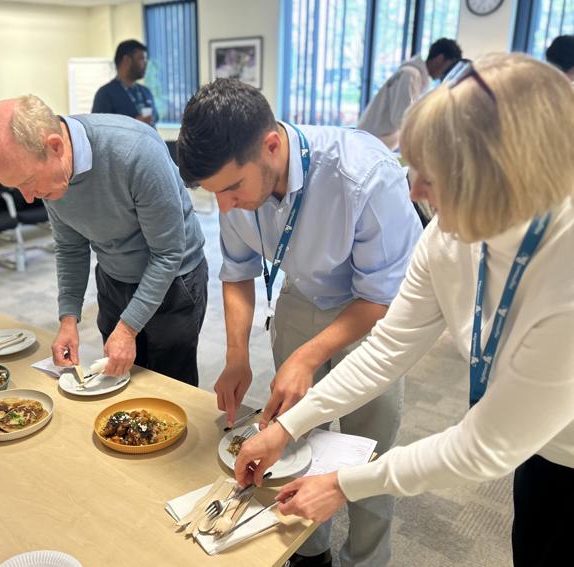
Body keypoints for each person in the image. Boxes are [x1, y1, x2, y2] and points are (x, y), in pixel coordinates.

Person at [234, 54, 574, 567]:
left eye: (431, 178)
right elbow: (387, 348)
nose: (412, 192)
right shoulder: (448, 235)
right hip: (540, 447)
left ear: (501, 175)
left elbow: (483, 449)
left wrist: (345, 485)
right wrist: (288, 426)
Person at [177, 79, 422, 567]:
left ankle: (365, 558)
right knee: (292, 440)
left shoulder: (363, 174)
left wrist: (309, 356)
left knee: (366, 452)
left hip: (368, 314)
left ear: (271, 146)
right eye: (214, 195)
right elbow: (239, 272)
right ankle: (309, 552)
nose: (224, 206)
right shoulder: (234, 189)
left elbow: (383, 298)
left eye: (230, 189)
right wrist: (236, 356)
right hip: (297, 297)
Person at [0, 95, 206, 383]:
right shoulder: (47, 172)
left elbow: (168, 253)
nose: (28, 197)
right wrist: (68, 319)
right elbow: (70, 247)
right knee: (118, 378)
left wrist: (128, 328)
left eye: (27, 182)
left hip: (176, 280)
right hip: (114, 276)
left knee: (169, 384)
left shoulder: (136, 151)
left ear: (55, 146)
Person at [358, 38, 462, 149]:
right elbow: (402, 118)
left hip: (377, 142)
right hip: (372, 143)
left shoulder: (417, 76)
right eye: (448, 67)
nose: (445, 74)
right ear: (439, 59)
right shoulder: (410, 75)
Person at [91, 39, 158, 127]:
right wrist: (134, 124)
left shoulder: (145, 92)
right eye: (141, 58)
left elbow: (155, 118)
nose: (146, 63)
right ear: (126, 60)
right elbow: (98, 128)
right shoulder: (105, 94)